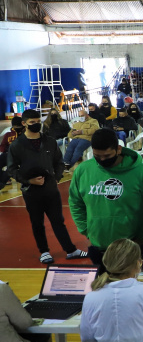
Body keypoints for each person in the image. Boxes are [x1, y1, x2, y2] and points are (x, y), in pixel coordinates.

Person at [69, 129, 143, 273]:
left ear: (118, 149)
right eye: (98, 156)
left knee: (137, 292)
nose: (103, 160)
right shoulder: (83, 170)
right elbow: (75, 202)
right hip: (98, 246)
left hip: (134, 246)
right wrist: (86, 230)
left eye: (107, 156)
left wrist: (142, 236)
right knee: (102, 290)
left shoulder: (141, 173)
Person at [8, 109, 87, 265]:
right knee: (37, 222)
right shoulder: (17, 145)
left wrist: (56, 178)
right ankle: (44, 251)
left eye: (38, 121)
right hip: (31, 191)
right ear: (24, 124)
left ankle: (70, 250)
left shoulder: (49, 141)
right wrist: (29, 181)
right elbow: (12, 169)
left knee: (58, 220)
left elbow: (59, 161)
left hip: (51, 189)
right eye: (32, 122)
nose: (36, 124)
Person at [0, 116, 23, 188]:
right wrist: (3, 152)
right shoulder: (8, 134)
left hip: (18, 156)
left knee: (10, 167)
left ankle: (2, 182)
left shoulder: (24, 134)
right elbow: (3, 145)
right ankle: (3, 179)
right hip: (7, 154)